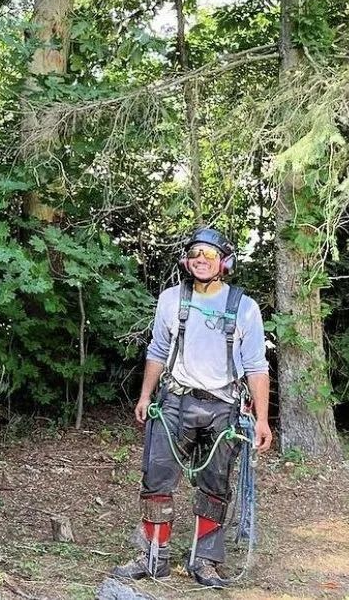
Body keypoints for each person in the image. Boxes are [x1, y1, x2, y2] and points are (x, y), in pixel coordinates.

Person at [111, 228, 273, 588]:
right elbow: (157, 349)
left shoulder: (244, 307)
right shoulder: (171, 299)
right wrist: (145, 396)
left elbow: (256, 367)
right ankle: (153, 557)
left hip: (224, 407)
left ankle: (205, 561)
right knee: (156, 479)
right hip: (174, 401)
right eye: (196, 253)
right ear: (187, 260)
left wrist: (262, 419)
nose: (201, 259)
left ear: (225, 262)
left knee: (215, 485)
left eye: (210, 254)